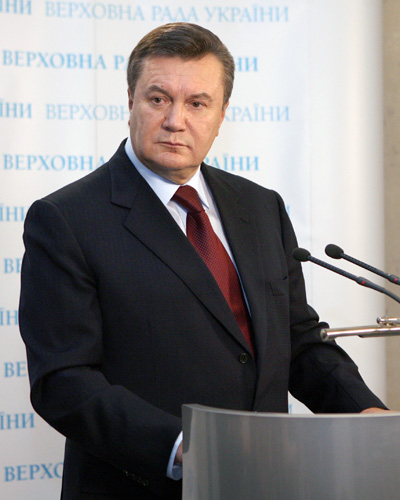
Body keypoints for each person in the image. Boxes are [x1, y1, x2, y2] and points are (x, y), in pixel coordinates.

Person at [19, 22, 388, 500]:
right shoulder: (67, 219)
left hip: (269, 482)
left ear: (222, 113)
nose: (176, 120)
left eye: (197, 103)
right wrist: (186, 449)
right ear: (130, 100)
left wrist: (364, 414)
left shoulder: (261, 207)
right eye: (158, 99)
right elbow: (64, 381)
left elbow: (296, 339)